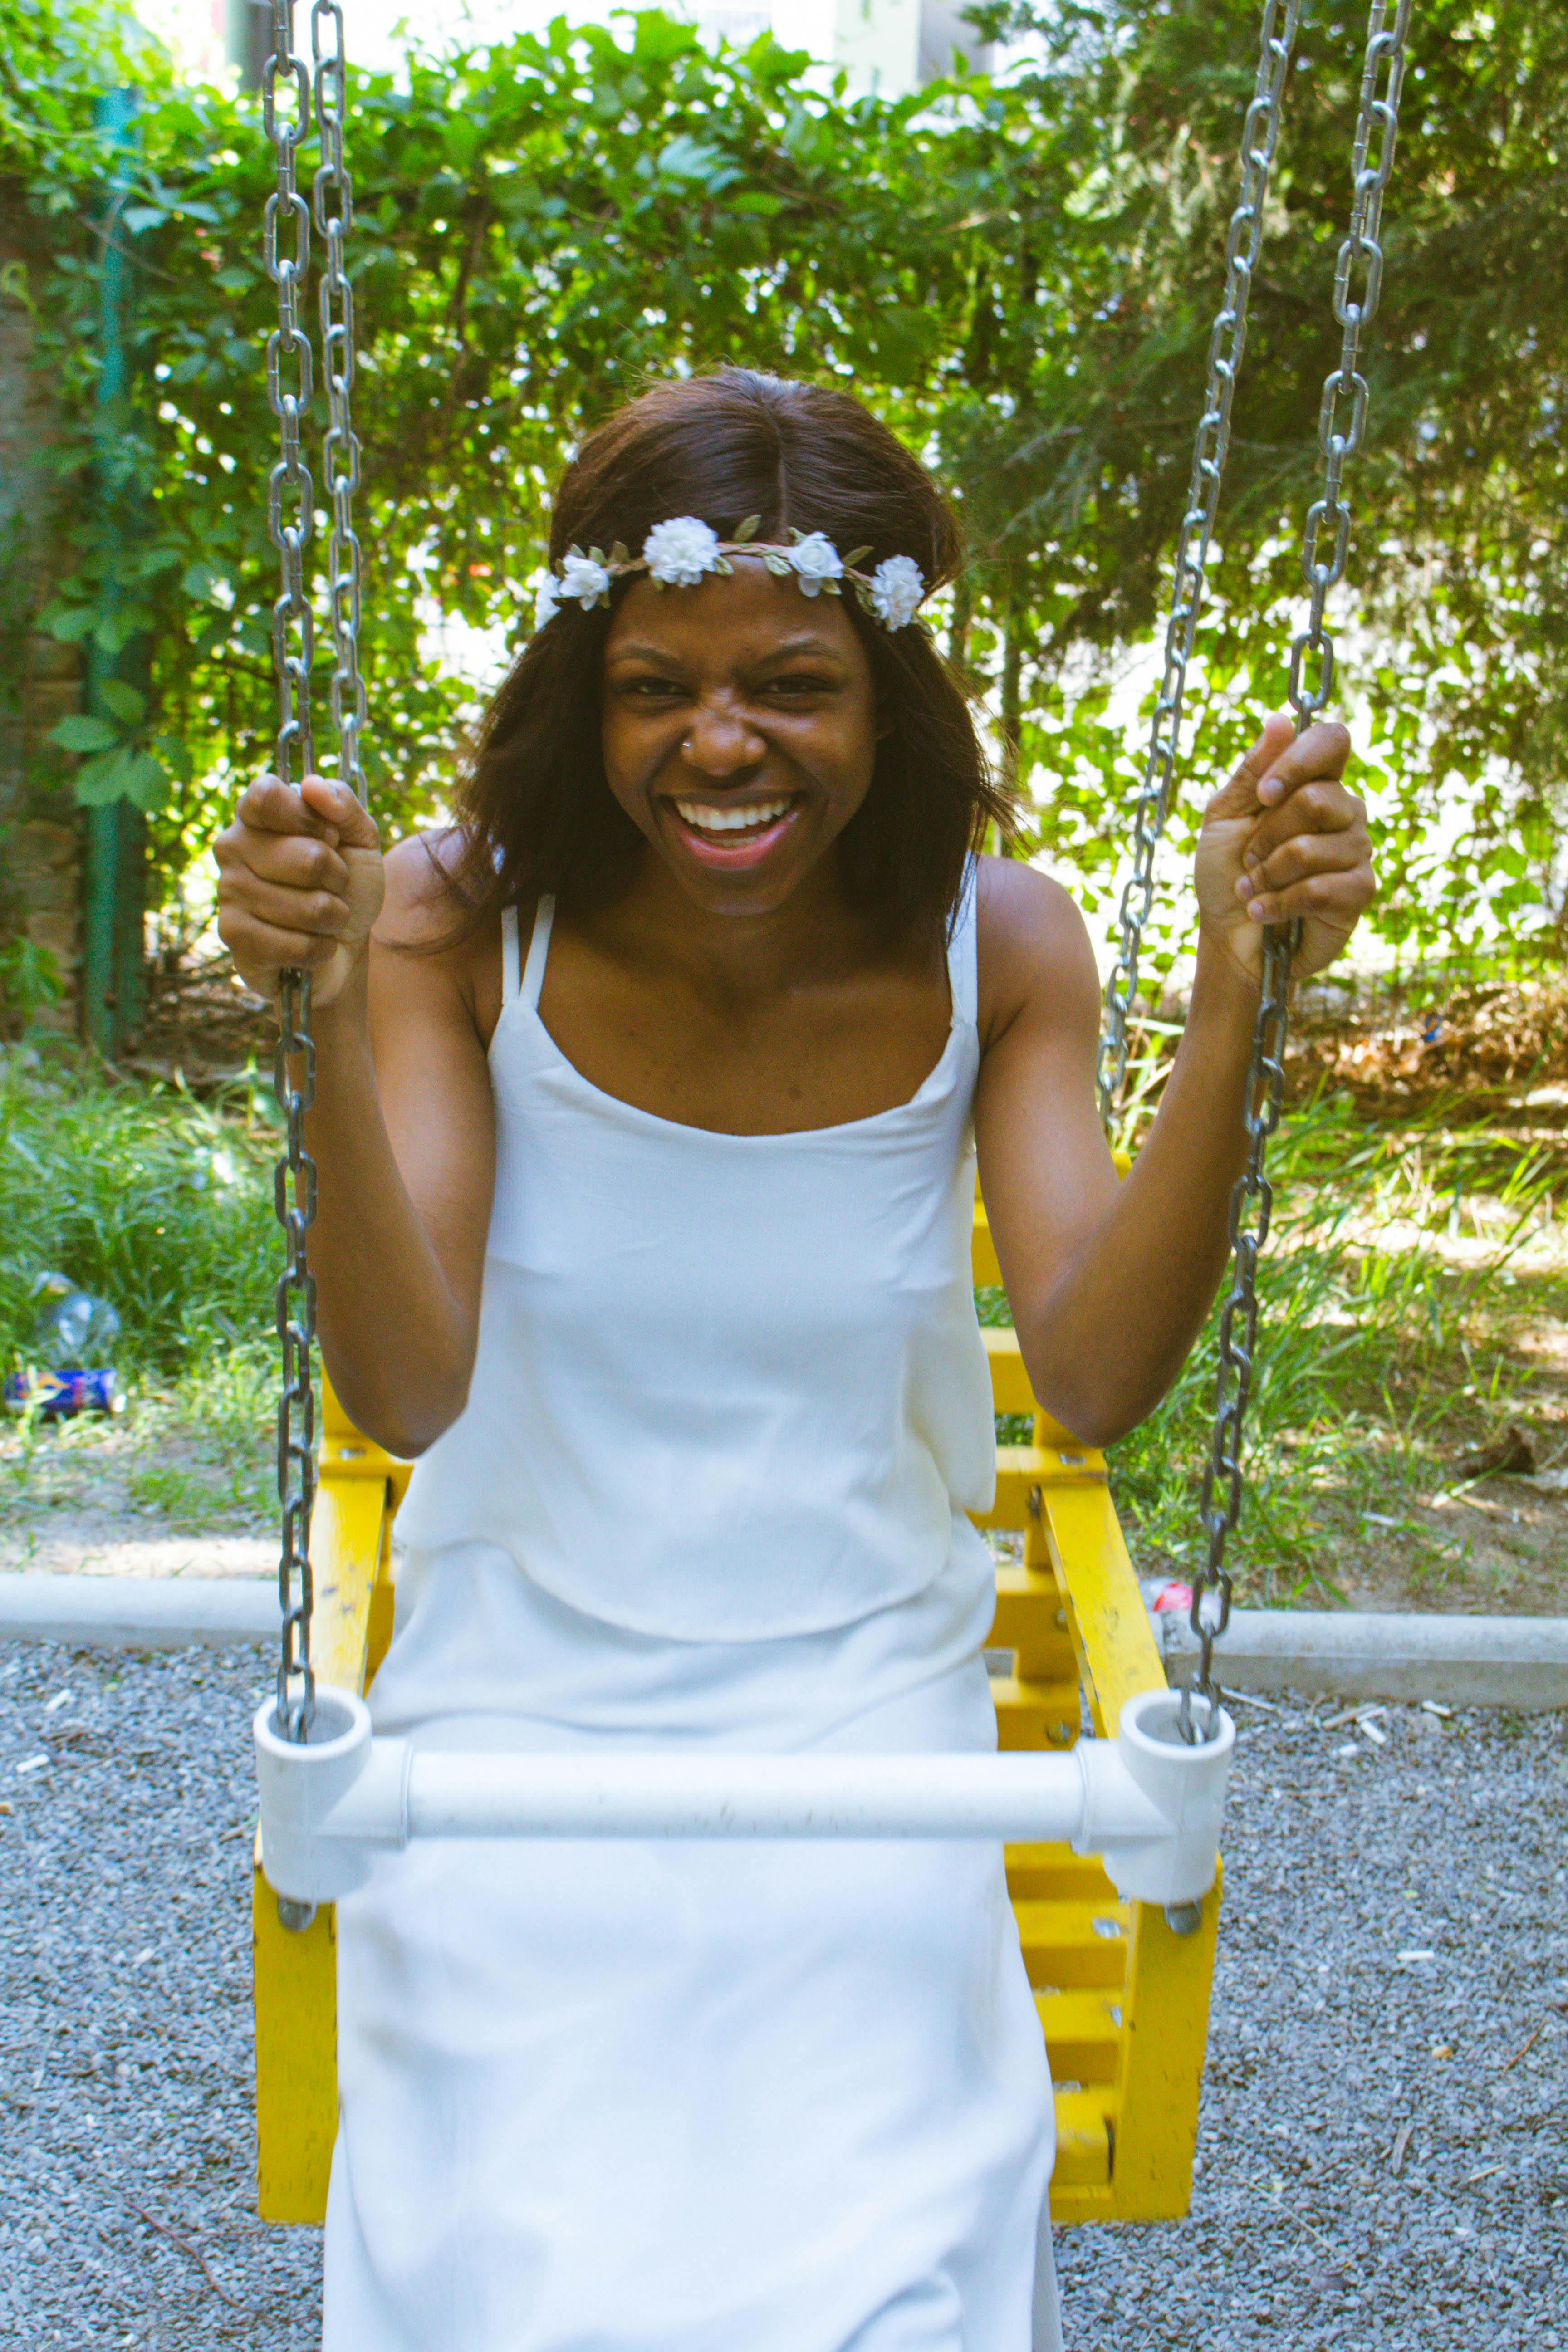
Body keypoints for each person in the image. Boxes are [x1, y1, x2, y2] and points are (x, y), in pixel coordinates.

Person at [216, 368, 1374, 2352]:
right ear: (584, 695)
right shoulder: (449, 928)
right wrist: (323, 1015)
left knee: (881, 2291)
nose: (719, 742)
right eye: (656, 681)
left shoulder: (998, 946)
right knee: (524, 2272)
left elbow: (1091, 1373)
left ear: (888, 697)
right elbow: (409, 1394)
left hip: (867, 1734)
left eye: (792, 685)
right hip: (518, 1729)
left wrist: (1235, 986)